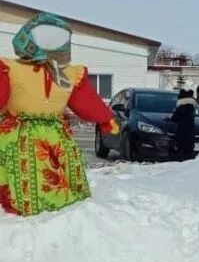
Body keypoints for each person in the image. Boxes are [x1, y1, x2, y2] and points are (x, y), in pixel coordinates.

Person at [0, 12, 119, 216]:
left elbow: (85, 101)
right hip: (18, 134)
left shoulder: (70, 74)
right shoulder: (10, 69)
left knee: (56, 172)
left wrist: (105, 118)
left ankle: (59, 209)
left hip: (56, 137)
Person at [171, 89, 196, 161]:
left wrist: (169, 118)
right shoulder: (192, 108)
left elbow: (175, 118)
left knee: (181, 149)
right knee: (189, 150)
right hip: (191, 131)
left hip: (182, 131)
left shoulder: (180, 108)